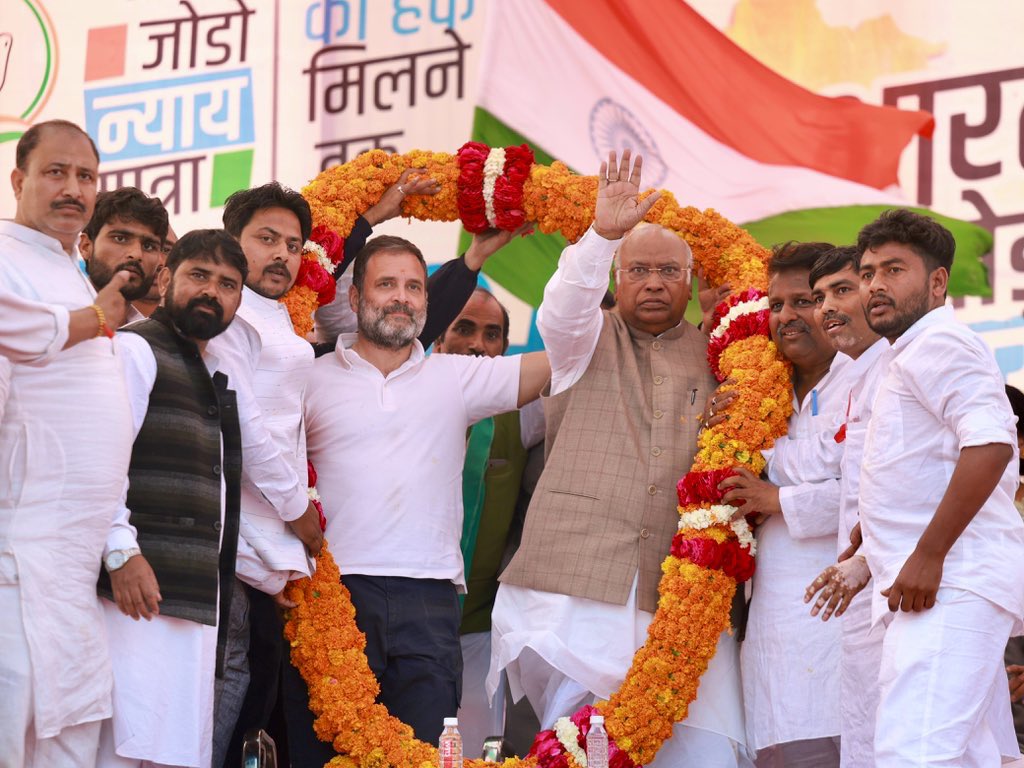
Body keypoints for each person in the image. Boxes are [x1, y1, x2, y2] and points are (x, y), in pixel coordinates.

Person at [489, 150, 745, 766]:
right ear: (617, 278)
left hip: (678, 597)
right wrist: (601, 236)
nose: (654, 282)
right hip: (574, 590)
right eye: (639, 270)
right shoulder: (581, 339)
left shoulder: (720, 357)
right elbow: (563, 305)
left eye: (668, 270)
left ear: (690, 282)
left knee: (702, 752)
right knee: (578, 749)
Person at [288, 234, 549, 765]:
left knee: (425, 755)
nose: (401, 297)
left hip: (430, 600)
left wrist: (598, 252)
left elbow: (564, 358)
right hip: (330, 591)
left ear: (428, 303)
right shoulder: (306, 378)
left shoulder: (456, 377)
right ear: (354, 298)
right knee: (322, 755)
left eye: (413, 287)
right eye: (386, 284)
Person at [97, 229, 311, 767]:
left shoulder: (214, 370)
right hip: (134, 597)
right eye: (199, 275)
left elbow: (251, 454)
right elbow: (99, 462)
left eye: (228, 284)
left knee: (171, 749)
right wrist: (121, 553)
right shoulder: (136, 350)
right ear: (166, 277)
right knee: (121, 747)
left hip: (192, 600)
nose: (212, 292)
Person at [855, 208, 1024, 765]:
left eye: (893, 269)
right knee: (969, 756)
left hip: (948, 581)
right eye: (868, 272)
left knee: (915, 753)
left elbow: (991, 445)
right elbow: (923, 460)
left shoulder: (940, 342)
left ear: (937, 281)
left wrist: (929, 553)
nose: (875, 285)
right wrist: (875, 524)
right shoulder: (908, 352)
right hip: (940, 582)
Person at [0, 119, 135, 767]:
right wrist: (96, 318)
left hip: (74, 574)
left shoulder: (70, 270)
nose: (73, 189)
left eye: (86, 177)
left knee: (71, 741)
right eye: (56, 172)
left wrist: (118, 540)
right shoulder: (6, 256)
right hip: (18, 562)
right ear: (18, 180)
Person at [716, 242, 846, 767]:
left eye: (803, 301)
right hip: (773, 617)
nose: (786, 316)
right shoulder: (759, 386)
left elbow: (880, 490)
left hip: (845, 604)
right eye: (776, 305)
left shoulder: (869, 378)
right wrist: (724, 425)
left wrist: (778, 497)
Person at [209, 182, 324, 768]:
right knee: (232, 689)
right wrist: (297, 512)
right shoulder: (229, 316)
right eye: (267, 239)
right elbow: (244, 428)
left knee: (254, 695)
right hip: (234, 533)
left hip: (264, 536)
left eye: (294, 245)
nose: (282, 254)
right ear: (232, 241)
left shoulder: (274, 315)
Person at [434, 288, 546, 757]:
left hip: (480, 621)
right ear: (436, 336)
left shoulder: (522, 414)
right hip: (402, 616)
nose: (478, 344)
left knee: (474, 751)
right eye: (464, 328)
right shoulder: (401, 395)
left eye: (492, 334)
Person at [797, 245, 887, 768]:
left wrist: (870, 556)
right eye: (819, 297)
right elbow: (824, 459)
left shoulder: (898, 365)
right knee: (868, 736)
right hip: (866, 584)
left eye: (841, 290)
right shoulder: (855, 374)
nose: (826, 307)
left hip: (904, 582)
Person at [80, 187, 169, 325]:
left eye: (149, 246)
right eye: (120, 239)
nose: (136, 254)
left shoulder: (152, 335)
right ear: (86, 246)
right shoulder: (51, 314)